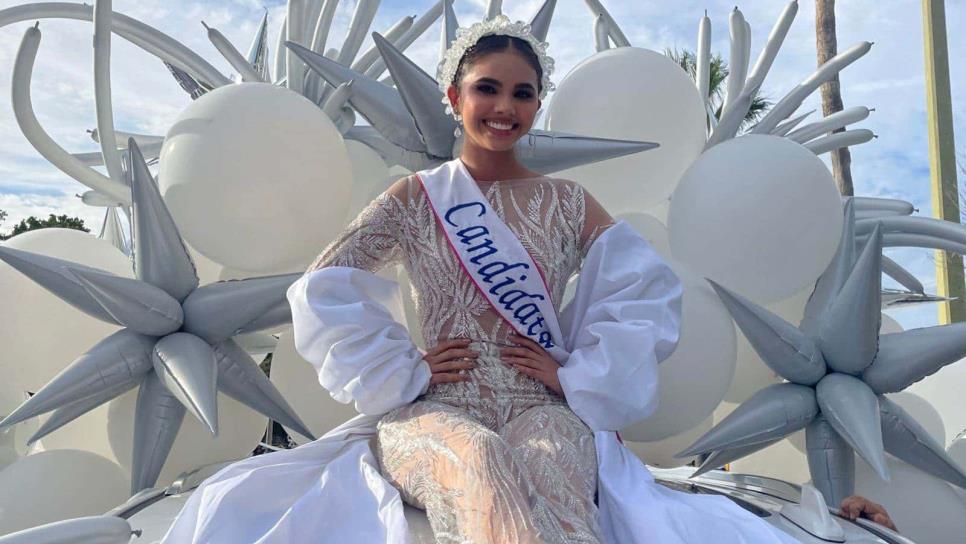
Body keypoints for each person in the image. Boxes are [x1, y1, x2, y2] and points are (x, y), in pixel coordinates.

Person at [162, 16, 811, 544]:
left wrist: (576, 373)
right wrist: (405, 368)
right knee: (478, 466)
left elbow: (645, 289)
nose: (505, 106)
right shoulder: (417, 197)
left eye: (522, 93)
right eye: (487, 89)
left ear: (536, 103)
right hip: (433, 411)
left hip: (538, 406)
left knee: (555, 475)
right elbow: (325, 284)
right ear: (455, 97)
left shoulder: (567, 202)